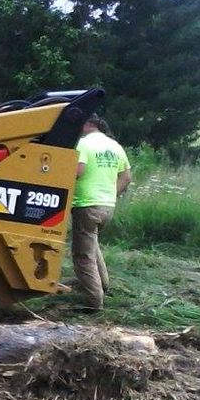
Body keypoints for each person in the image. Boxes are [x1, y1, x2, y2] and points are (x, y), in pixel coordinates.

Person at [70, 114, 132, 311]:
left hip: (87, 204)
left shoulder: (84, 144)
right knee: (92, 244)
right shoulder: (115, 146)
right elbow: (127, 177)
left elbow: (77, 172)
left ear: (87, 125)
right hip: (107, 206)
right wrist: (110, 195)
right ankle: (103, 285)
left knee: (82, 255)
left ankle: (94, 302)